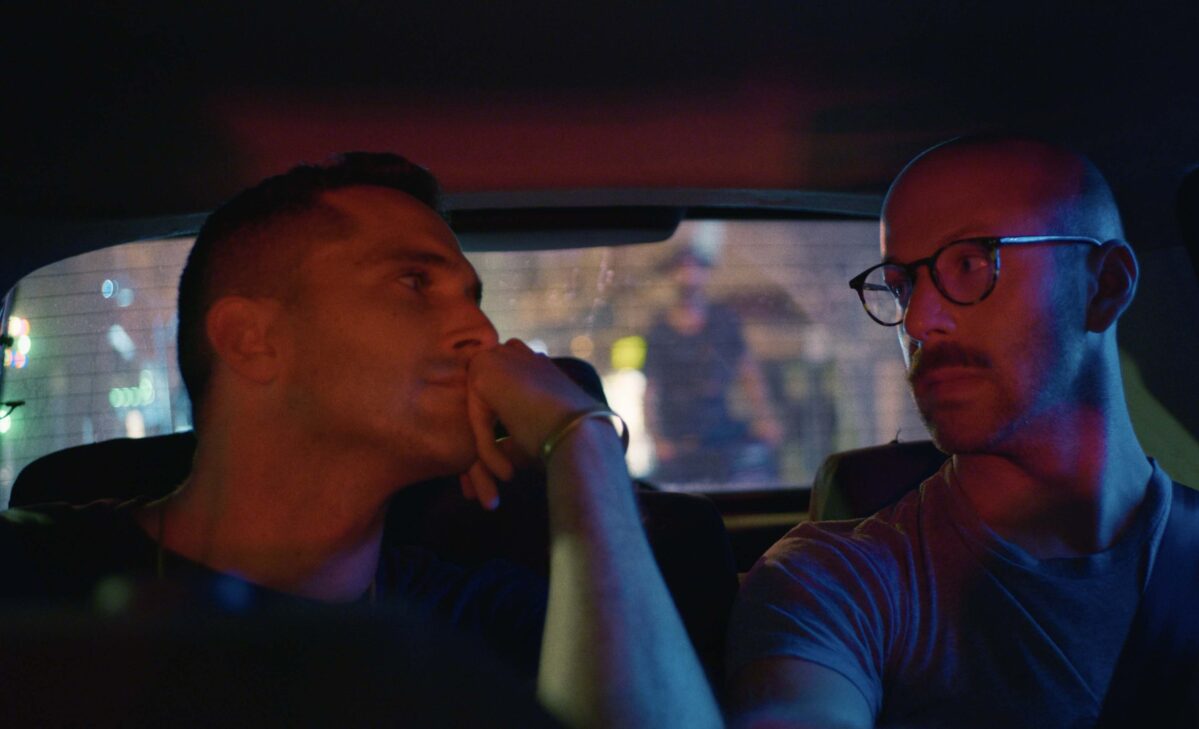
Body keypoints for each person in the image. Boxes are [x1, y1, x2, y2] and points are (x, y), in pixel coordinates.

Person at [0, 153, 721, 729]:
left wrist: (582, 443)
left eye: (474, 299)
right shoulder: (29, 584)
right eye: (413, 282)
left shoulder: (490, 625)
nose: (483, 333)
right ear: (252, 340)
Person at [725, 136, 1199, 728]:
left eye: (970, 264)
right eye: (902, 286)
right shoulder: (837, 582)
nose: (918, 320)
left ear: (1105, 286)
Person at [644, 246, 783, 484]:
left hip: (720, 431)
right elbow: (650, 389)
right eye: (681, 268)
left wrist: (765, 417)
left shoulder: (723, 321)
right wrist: (657, 439)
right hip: (678, 440)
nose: (688, 275)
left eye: (694, 267)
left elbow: (748, 372)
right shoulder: (659, 331)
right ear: (670, 274)